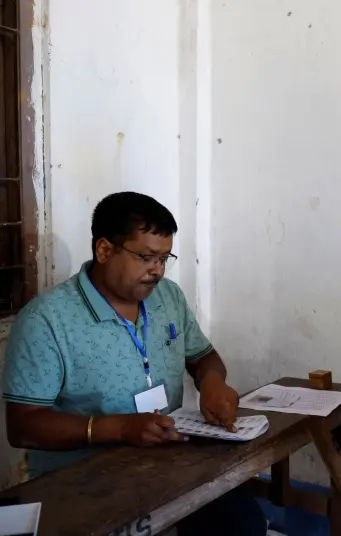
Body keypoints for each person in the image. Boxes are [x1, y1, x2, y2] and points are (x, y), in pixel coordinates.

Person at [2, 192, 266, 535]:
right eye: (146, 257)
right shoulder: (47, 320)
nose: (157, 270)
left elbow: (203, 357)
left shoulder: (168, 297)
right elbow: (23, 425)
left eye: (164, 258)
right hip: (83, 480)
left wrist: (212, 382)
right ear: (104, 250)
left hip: (168, 460)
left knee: (243, 523)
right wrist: (119, 428)